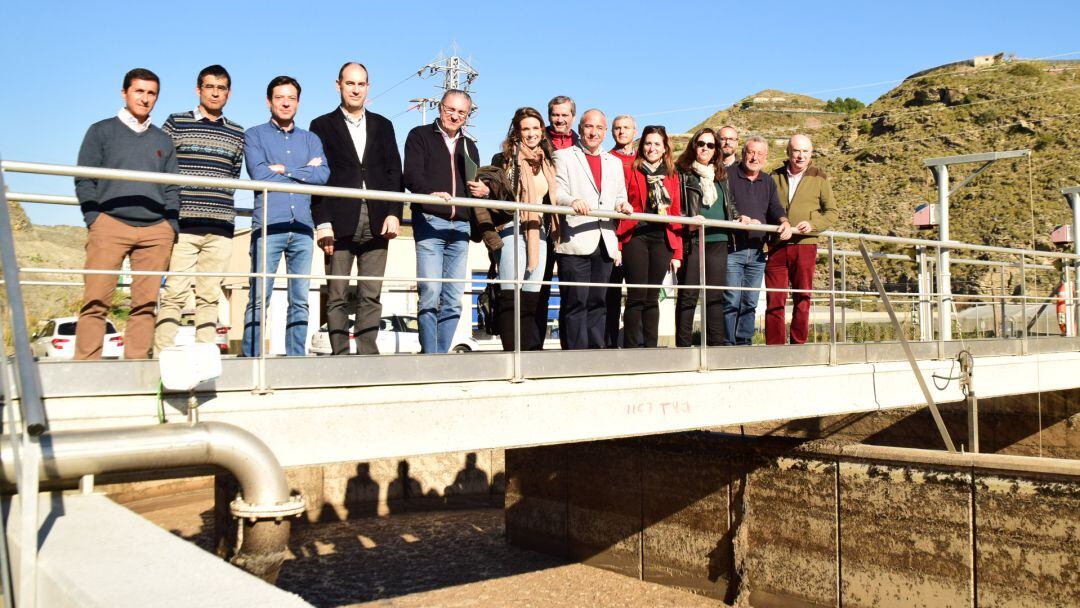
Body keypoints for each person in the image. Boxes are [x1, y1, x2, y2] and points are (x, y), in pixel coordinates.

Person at [74, 68, 178, 360]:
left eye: (151, 93)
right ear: (124, 93)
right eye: (139, 91)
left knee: (145, 305)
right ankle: (86, 369)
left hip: (155, 230)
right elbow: (84, 178)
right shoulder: (101, 131)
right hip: (110, 225)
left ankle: (135, 369)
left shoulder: (163, 140)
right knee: (96, 301)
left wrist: (169, 225)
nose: (145, 99)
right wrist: (94, 219)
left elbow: (172, 186)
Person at [309, 62, 404, 355]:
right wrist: (322, 222)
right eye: (350, 83)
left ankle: (367, 356)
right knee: (337, 294)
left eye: (361, 84)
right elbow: (318, 179)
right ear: (338, 85)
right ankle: (339, 356)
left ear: (368, 87)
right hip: (338, 221)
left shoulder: (383, 125)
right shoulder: (321, 125)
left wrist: (393, 212)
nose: (355, 89)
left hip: (378, 218)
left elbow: (394, 173)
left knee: (371, 294)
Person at [153, 65, 245, 354]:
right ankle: (161, 357)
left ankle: (204, 361)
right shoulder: (176, 123)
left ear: (228, 93)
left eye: (221, 88)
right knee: (174, 294)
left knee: (209, 297)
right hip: (183, 225)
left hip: (220, 226)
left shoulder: (236, 132)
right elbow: (160, 166)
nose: (215, 93)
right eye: (210, 87)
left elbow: (233, 175)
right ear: (198, 89)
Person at [241, 76, 329, 357]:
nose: (286, 102)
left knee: (301, 299)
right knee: (258, 298)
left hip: (303, 227)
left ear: (298, 102)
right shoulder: (254, 135)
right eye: (280, 97)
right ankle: (252, 360)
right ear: (269, 101)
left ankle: (295, 360)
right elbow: (260, 174)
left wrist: (283, 169)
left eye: (291, 97)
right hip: (268, 224)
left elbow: (323, 176)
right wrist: (303, 169)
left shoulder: (311, 138)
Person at [403, 89, 489, 353]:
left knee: (453, 297)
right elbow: (411, 175)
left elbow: (474, 183)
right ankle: (430, 355)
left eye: (461, 112)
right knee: (429, 291)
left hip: (461, 226)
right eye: (450, 109)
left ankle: (441, 355)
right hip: (431, 221)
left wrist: (484, 191)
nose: (455, 116)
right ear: (440, 107)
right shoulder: (419, 136)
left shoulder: (469, 145)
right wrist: (429, 194)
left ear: (468, 115)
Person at [553, 109, 632, 350]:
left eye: (599, 128)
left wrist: (623, 204)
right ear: (580, 128)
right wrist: (571, 202)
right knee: (575, 301)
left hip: (604, 241)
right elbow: (557, 193)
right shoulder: (563, 156)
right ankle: (575, 356)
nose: (593, 132)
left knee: (599, 301)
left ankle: (596, 353)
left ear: (605, 132)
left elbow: (620, 195)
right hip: (575, 239)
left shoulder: (614, 162)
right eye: (589, 126)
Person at [488, 107, 557, 351]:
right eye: (525, 128)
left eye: (535, 128)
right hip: (511, 228)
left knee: (531, 296)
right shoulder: (504, 159)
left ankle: (525, 353)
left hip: (539, 230)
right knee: (510, 293)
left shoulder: (547, 161)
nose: (531, 133)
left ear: (542, 131)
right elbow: (495, 193)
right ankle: (510, 354)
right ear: (516, 131)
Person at [765, 134, 837, 345]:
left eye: (805, 151)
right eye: (796, 150)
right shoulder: (773, 176)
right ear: (788, 152)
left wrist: (813, 224)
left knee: (802, 297)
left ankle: (798, 345)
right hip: (777, 245)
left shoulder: (820, 177)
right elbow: (766, 207)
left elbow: (832, 212)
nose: (800, 156)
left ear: (811, 153)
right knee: (775, 298)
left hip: (805, 246)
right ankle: (774, 348)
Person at [616, 125, 682, 348]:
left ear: (665, 148)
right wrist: (617, 244)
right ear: (641, 145)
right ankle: (633, 348)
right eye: (648, 143)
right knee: (636, 295)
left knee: (652, 297)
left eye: (657, 144)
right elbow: (621, 201)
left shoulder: (672, 175)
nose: (652, 148)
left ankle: (650, 348)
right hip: (636, 236)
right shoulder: (631, 169)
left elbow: (676, 213)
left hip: (662, 239)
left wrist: (677, 253)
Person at [723, 136, 791, 346]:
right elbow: (726, 204)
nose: (755, 157)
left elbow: (775, 208)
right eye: (751, 152)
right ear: (743, 153)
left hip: (758, 252)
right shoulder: (728, 175)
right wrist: (737, 218)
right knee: (731, 299)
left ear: (766, 157)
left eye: (760, 154)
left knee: (750, 301)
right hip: (733, 249)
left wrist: (784, 221)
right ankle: (726, 344)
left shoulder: (767, 181)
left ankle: (744, 343)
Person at [674, 128, 736, 347]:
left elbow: (729, 205)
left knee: (714, 298)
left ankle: (715, 348)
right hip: (693, 241)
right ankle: (683, 348)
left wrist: (739, 218)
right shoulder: (682, 172)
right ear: (694, 145)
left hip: (718, 240)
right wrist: (689, 218)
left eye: (711, 145)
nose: (705, 149)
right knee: (688, 297)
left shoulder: (721, 175)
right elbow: (676, 206)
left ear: (716, 149)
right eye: (701, 143)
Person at [605, 114, 637, 347]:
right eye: (617, 128)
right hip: (612, 235)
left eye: (626, 128)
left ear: (634, 131)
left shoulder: (644, 159)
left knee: (639, 296)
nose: (621, 132)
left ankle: (635, 345)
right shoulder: (607, 159)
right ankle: (608, 344)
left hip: (637, 237)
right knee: (610, 296)